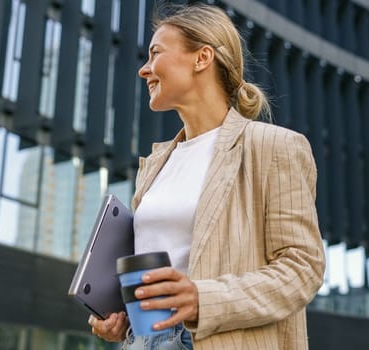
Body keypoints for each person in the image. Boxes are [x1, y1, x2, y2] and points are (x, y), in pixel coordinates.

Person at [87, 3, 325, 350]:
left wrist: (202, 299)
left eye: (155, 53)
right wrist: (121, 319)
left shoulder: (273, 147)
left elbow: (302, 268)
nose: (144, 69)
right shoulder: (156, 164)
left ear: (202, 58)